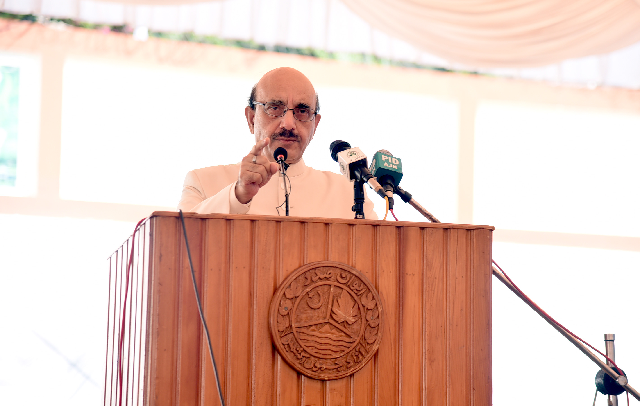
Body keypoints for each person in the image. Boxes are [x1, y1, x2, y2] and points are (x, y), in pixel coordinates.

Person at [177, 67, 376, 219]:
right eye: (274, 107)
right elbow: (178, 247)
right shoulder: (202, 183)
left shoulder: (348, 192)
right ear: (251, 119)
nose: (288, 124)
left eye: (302, 111)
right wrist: (238, 195)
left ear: (315, 125)